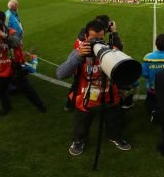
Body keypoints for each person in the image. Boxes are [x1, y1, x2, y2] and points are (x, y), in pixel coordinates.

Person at [55, 19, 132, 156]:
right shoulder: (77, 53)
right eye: (93, 39)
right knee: (81, 125)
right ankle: (79, 140)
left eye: (100, 39)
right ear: (85, 37)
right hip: (86, 99)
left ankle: (115, 137)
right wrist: (78, 56)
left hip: (109, 96)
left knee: (114, 121)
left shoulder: (111, 50)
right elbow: (60, 73)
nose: (97, 42)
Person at [0, 12, 46, 116]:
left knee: (27, 89)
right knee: (1, 91)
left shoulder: (11, 32)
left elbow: (16, 42)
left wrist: (1, 34)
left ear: (0, 22)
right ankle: (6, 107)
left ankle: (40, 105)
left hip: (13, 68)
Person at [141, 33, 164, 121]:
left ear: (156, 43)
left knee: (151, 102)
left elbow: (144, 74)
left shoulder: (148, 57)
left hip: (152, 88)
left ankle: (152, 112)